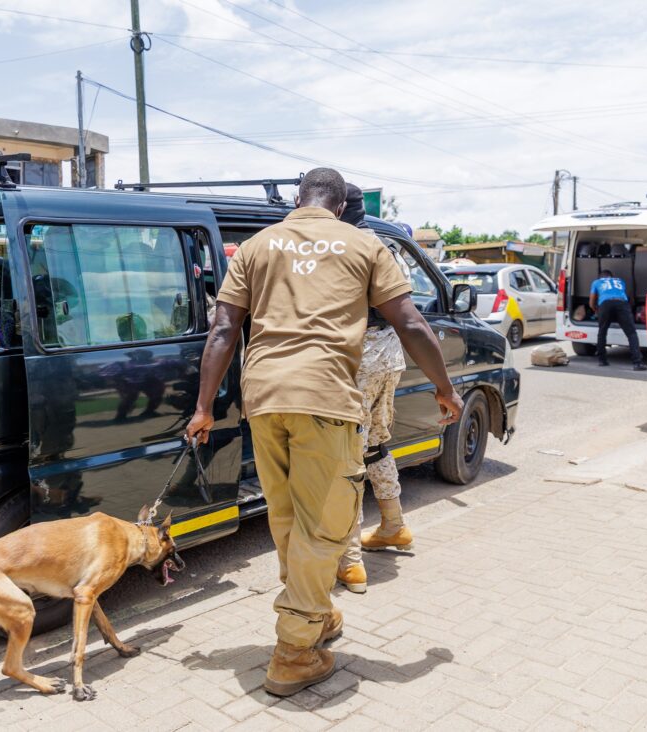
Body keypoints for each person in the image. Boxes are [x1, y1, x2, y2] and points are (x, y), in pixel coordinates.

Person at [185, 168, 464, 698]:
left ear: (298, 200)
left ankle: (314, 613)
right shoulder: (365, 244)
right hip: (325, 398)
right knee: (327, 525)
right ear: (339, 207)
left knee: (288, 517)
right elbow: (409, 323)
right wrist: (445, 388)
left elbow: (223, 329)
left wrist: (203, 408)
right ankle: (294, 652)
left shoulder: (257, 246)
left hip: (264, 399)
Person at [336, 184, 414, 594]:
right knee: (375, 443)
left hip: (360, 358)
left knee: (347, 453)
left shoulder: (345, 245)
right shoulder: (387, 244)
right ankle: (393, 524)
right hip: (390, 355)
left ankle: (350, 562)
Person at [589, 269, 647, 371]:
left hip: (605, 305)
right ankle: (637, 363)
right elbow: (624, 295)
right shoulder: (620, 281)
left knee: (602, 332)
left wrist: (596, 310)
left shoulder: (596, 282)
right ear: (611, 277)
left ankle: (602, 360)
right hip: (621, 304)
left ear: (600, 277)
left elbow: (591, 302)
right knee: (631, 333)